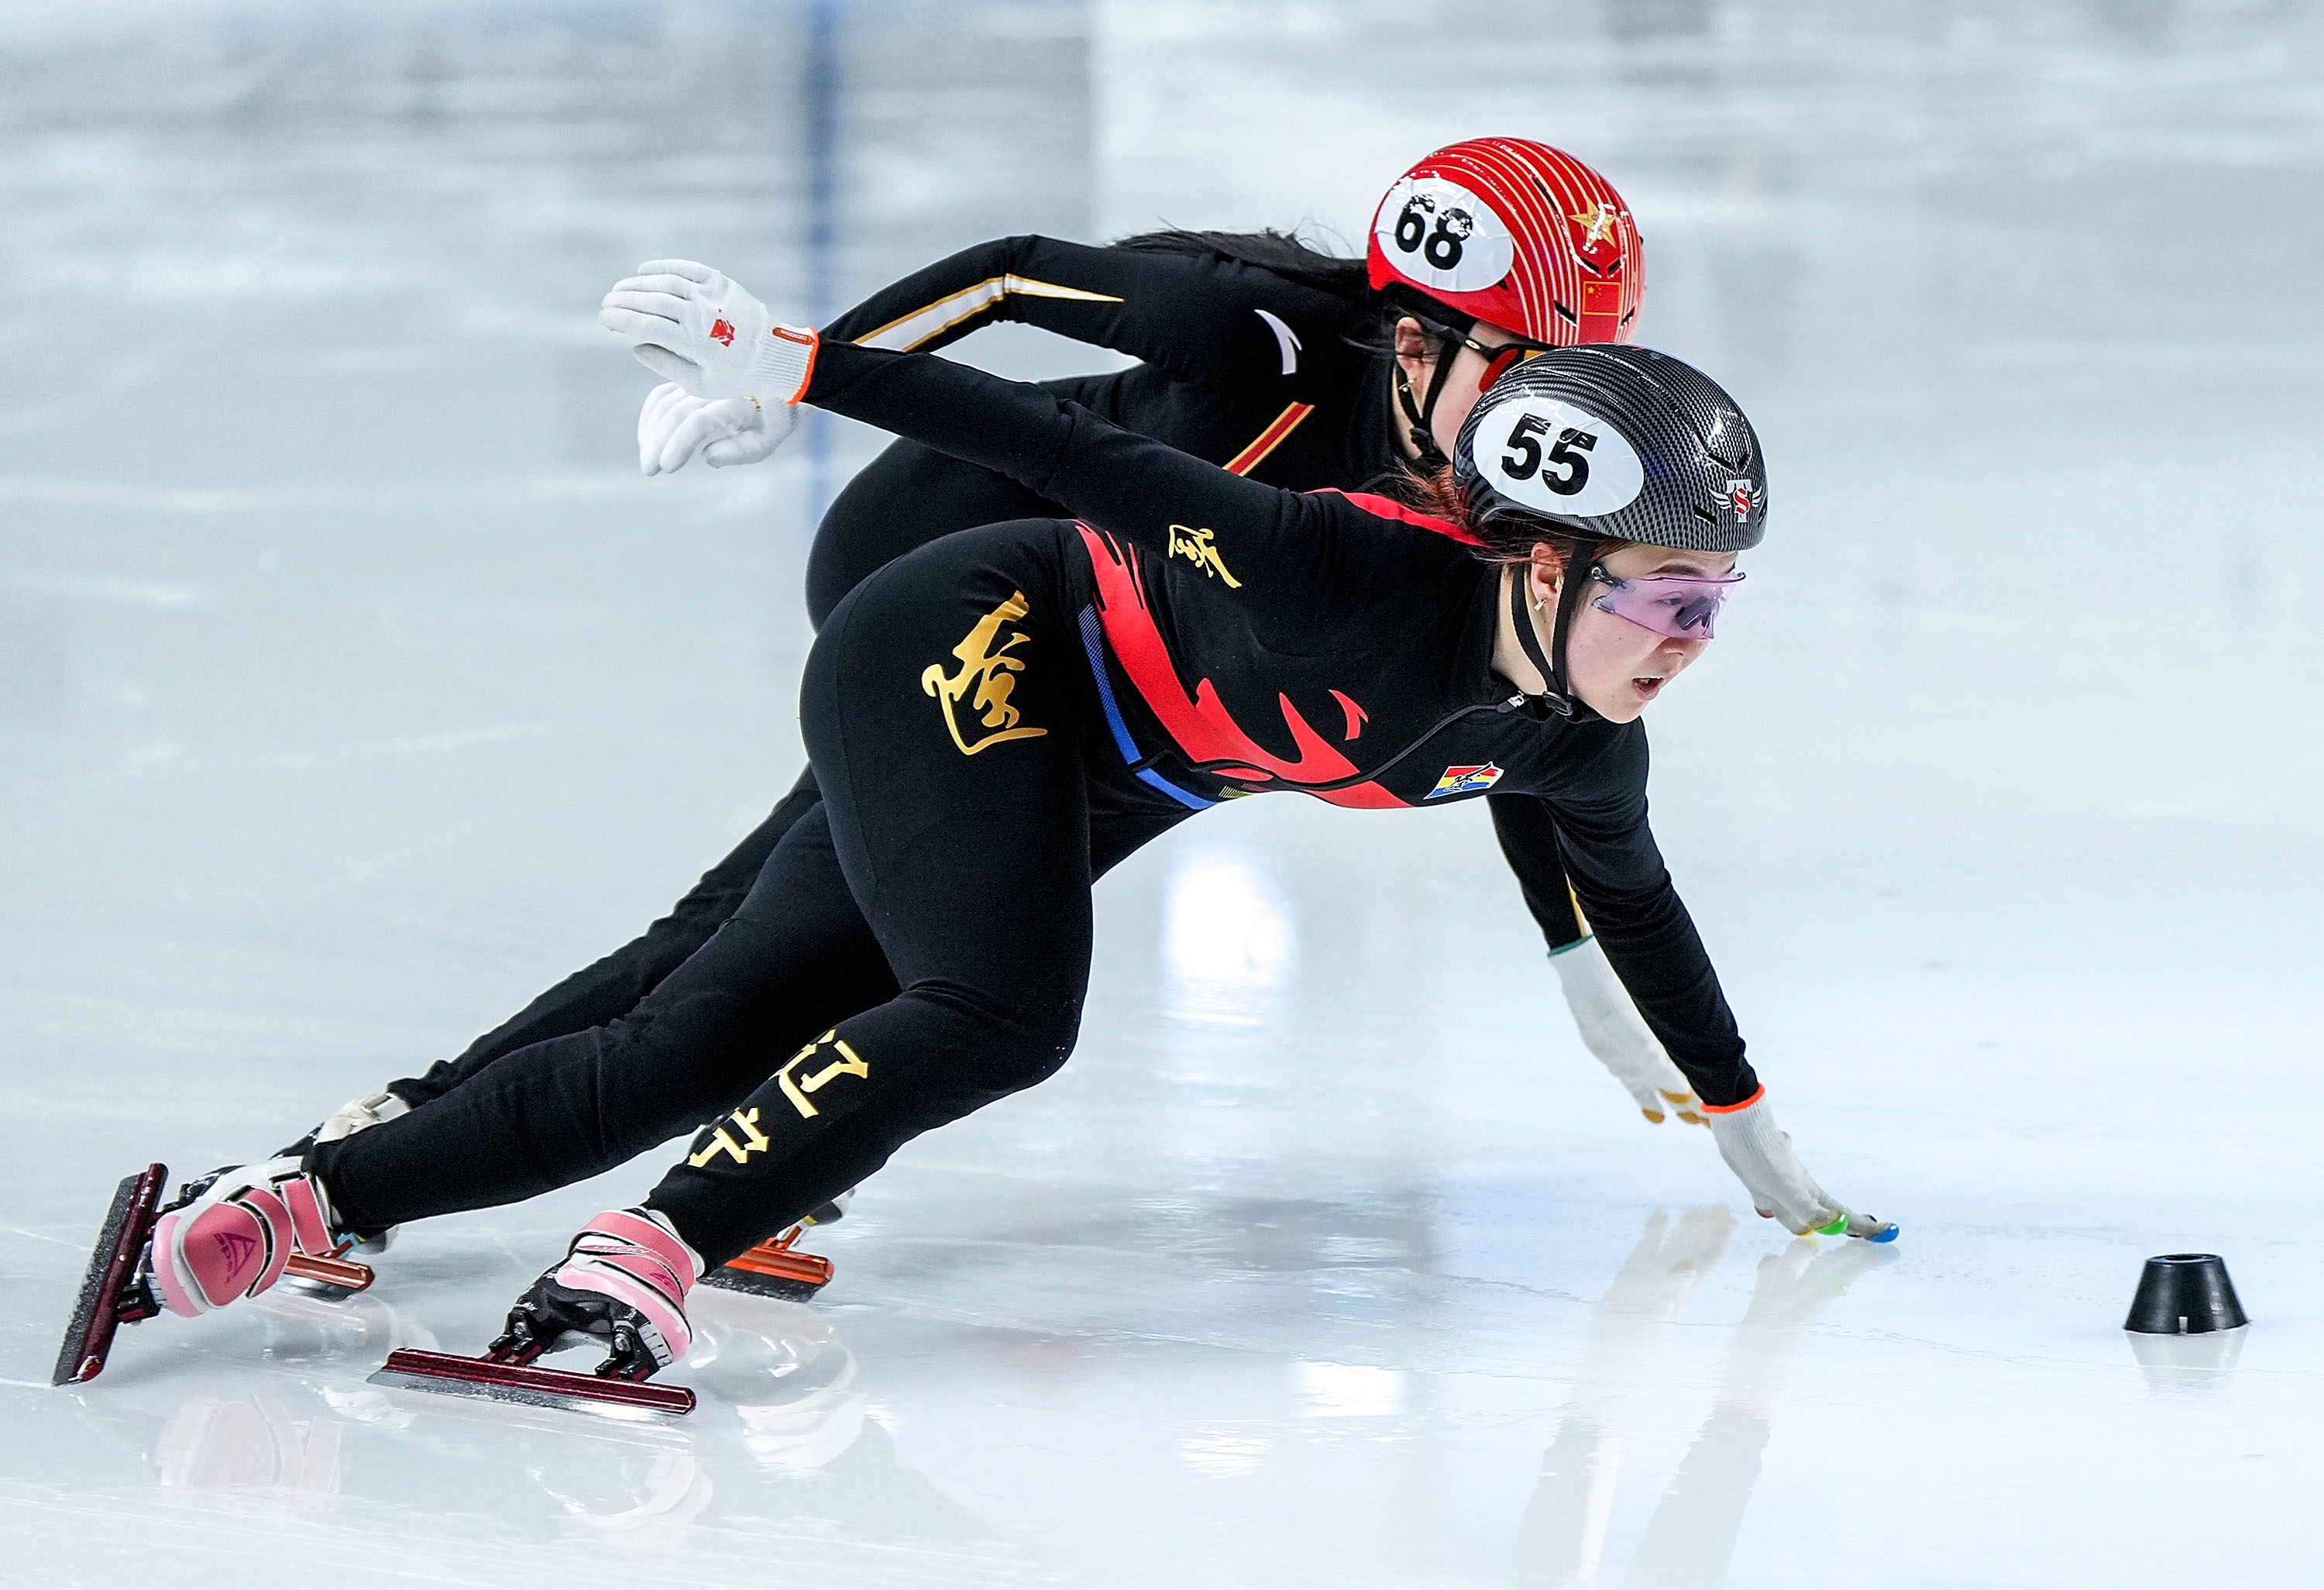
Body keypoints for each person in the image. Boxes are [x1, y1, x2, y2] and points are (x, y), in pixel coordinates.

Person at [136, 276, 1893, 1382]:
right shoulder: (1349, 562)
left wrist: (1741, 1121)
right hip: (970, 639)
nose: (1694, 643)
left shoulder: (1577, 741)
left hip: (1085, 764)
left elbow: (1643, 911)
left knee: (712, 1023)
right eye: (1670, 598)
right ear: (1545, 557)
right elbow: (1077, 456)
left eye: (1719, 604)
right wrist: (803, 363)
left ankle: (297, 1200)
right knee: (998, 1006)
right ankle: (651, 1250)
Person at [320, 144, 1701, 1266]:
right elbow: (1010, 278)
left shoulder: (1508, 481)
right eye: (1525, 368)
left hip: (1087, 656)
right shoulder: (1256, 341)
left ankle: (617, 1150)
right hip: (940, 568)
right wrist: (795, 378)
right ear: (1416, 343)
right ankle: (415, 1133)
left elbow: (1520, 711)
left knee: (851, 941)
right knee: (774, 942)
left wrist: (1577, 960)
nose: (1557, 412)